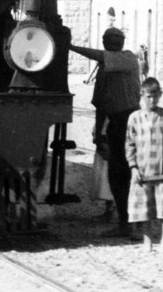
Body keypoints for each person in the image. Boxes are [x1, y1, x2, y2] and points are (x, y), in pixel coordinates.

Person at [69, 27, 140, 237]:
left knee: (127, 172)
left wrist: (71, 47)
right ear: (105, 42)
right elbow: (100, 104)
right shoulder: (103, 69)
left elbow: (99, 55)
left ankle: (133, 222)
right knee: (116, 174)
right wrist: (99, 134)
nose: (114, 43)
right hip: (115, 123)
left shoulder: (128, 58)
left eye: (117, 40)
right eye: (111, 40)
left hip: (129, 120)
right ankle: (125, 221)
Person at [126, 77, 163, 252]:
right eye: (149, 96)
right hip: (143, 171)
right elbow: (129, 144)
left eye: (155, 96)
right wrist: (133, 167)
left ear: (160, 94)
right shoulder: (134, 118)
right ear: (142, 95)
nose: (152, 100)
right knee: (144, 210)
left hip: (161, 171)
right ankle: (147, 241)